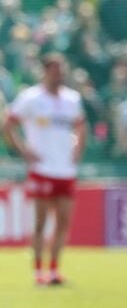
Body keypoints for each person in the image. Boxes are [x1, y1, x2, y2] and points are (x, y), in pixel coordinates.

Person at [2, 53, 86, 286]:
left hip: (66, 170)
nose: (59, 74)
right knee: (40, 222)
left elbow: (81, 126)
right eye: (55, 70)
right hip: (42, 168)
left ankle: (55, 269)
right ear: (45, 71)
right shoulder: (30, 98)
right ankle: (39, 271)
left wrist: (78, 150)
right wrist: (23, 151)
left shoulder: (72, 99)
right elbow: (8, 124)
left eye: (62, 70)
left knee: (63, 223)